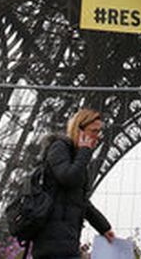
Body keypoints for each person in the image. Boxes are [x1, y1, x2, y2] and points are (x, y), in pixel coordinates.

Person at [31, 108, 115, 259]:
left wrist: (104, 227)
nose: (98, 136)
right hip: (53, 241)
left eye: (99, 131)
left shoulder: (77, 157)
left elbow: (80, 201)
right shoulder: (59, 147)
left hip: (66, 241)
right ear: (79, 130)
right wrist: (84, 152)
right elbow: (68, 178)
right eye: (94, 131)